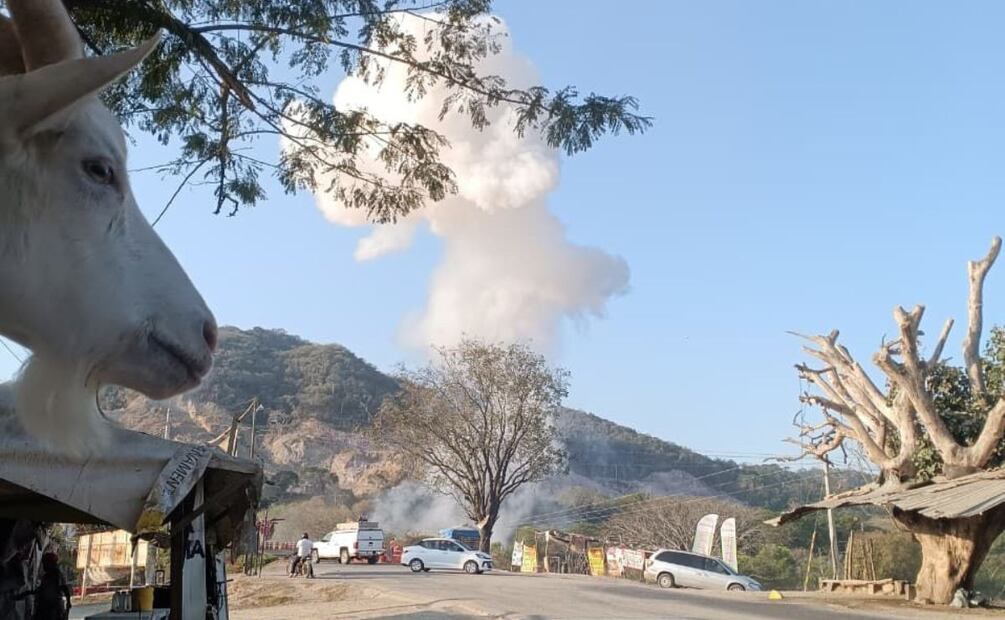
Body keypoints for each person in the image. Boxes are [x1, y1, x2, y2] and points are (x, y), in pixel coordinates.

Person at [31, 552, 71, 620]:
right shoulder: (46, 576)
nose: (44, 566)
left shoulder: (57, 575)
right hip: (45, 608)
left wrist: (68, 602)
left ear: (51, 564)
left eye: (45, 564)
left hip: (53, 609)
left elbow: (65, 589)